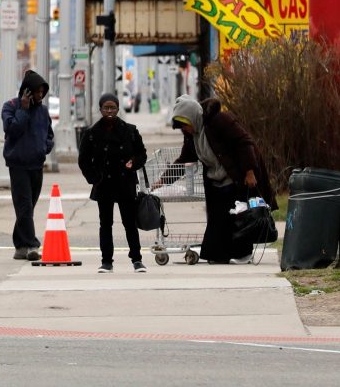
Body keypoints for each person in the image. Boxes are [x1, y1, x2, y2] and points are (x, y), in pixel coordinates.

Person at [170, 95, 276, 265]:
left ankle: (244, 254)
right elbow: (185, 159)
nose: (185, 129)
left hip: (237, 177)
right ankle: (219, 255)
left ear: (193, 117)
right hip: (217, 181)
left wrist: (250, 172)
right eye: (181, 127)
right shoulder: (192, 135)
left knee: (239, 218)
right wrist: (164, 180)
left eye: (185, 125)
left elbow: (244, 142)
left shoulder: (219, 120)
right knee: (217, 224)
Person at [79, 92, 149, 273]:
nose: (109, 111)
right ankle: (106, 261)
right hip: (104, 185)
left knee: (129, 223)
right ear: (100, 109)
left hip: (125, 183)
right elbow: (84, 160)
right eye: (106, 108)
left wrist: (134, 162)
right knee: (105, 224)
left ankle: (137, 259)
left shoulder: (130, 130)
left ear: (118, 109)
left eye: (113, 108)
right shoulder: (92, 133)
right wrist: (94, 178)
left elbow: (142, 153)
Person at [2, 69, 55, 261]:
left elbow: (49, 134)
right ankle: (32, 245)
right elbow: (12, 130)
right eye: (38, 92)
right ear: (27, 91)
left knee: (28, 206)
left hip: (36, 163)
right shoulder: (10, 106)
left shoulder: (43, 111)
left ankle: (20, 245)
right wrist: (23, 110)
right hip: (18, 164)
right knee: (24, 205)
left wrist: (45, 147)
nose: (41, 95)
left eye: (43, 92)